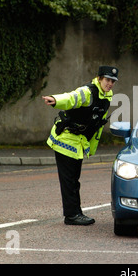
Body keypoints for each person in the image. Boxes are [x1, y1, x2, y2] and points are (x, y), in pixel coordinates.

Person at [42, 66, 118, 225]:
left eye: (112, 81)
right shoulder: (88, 91)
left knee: (74, 179)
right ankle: (72, 215)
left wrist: (91, 148)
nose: (110, 83)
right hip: (66, 138)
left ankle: (75, 213)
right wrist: (56, 100)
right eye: (107, 80)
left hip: (78, 141)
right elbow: (71, 97)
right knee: (69, 179)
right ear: (99, 78)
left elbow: (97, 126)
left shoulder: (106, 97)